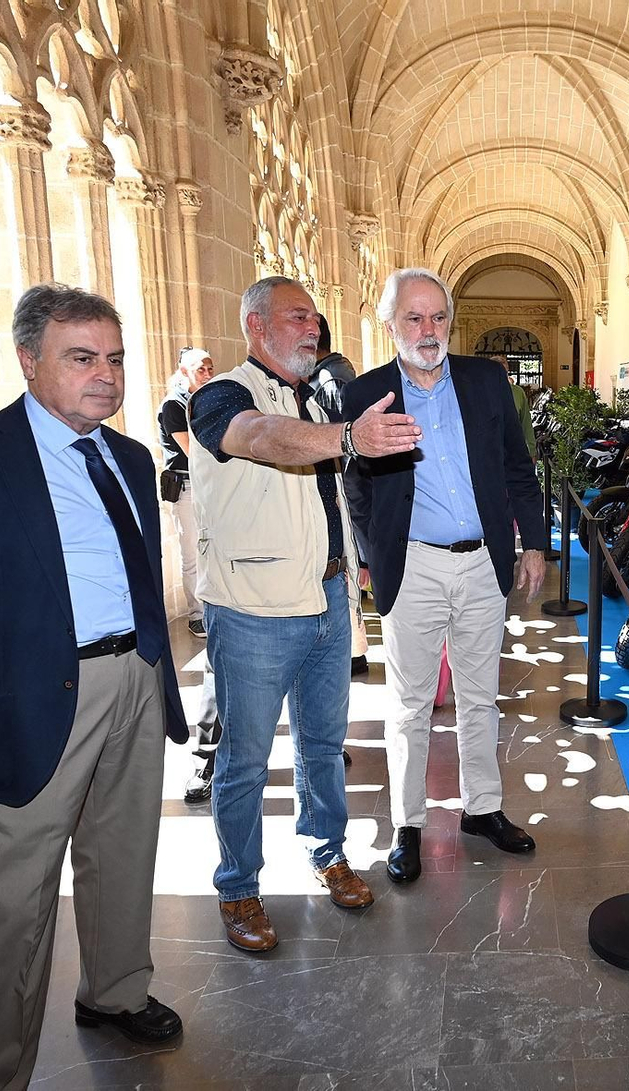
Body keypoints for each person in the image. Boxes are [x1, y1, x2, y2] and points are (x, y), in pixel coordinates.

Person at [0, 283, 188, 1088]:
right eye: (82, 358)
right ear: (28, 360)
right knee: (14, 896)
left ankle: (116, 992)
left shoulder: (130, 456)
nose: (106, 377)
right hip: (30, 698)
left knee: (123, 852)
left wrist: (150, 658)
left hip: (135, 680)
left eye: (114, 359)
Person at [189, 275, 421, 949]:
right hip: (255, 608)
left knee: (323, 745)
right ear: (257, 325)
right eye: (298, 317)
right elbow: (261, 437)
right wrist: (348, 436)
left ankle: (327, 852)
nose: (313, 328)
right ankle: (238, 887)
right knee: (246, 758)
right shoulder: (221, 394)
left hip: (328, 598)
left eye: (315, 318)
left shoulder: (319, 394)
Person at [342, 268, 547, 886]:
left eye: (437, 318)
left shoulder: (486, 380)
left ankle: (482, 810)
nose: (427, 331)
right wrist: (372, 553)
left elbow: (517, 464)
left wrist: (533, 541)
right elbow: (354, 485)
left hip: (485, 559)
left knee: (481, 695)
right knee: (408, 704)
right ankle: (408, 826)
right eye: (413, 318)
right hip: (414, 561)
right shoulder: (368, 394)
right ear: (390, 324)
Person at [159, 347, 222, 803]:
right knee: (221, 672)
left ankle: (317, 749)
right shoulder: (176, 404)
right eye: (200, 366)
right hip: (229, 573)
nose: (208, 371)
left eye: (210, 366)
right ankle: (205, 760)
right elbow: (197, 452)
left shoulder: (218, 398)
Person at [313, 318, 371, 677]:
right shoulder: (332, 375)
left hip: (343, 492)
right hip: (345, 491)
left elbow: (345, 450)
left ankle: (353, 653)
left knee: (347, 569)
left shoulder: (330, 381)